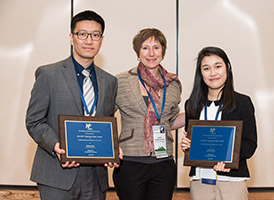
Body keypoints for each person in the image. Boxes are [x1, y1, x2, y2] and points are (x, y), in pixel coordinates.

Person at [25, 10, 117, 200]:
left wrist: (111, 149)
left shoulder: (109, 81)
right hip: (57, 174)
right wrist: (56, 146)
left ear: (102, 39)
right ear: (71, 38)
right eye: (82, 34)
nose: (89, 41)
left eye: (95, 35)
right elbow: (34, 121)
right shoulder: (48, 74)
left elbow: (107, 123)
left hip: (95, 177)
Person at [113, 28, 184, 200]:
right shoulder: (120, 81)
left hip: (164, 162)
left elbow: (170, 121)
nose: (151, 53)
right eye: (145, 48)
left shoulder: (173, 84)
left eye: (156, 47)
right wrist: (111, 146)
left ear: (163, 51)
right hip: (130, 162)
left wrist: (196, 111)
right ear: (138, 52)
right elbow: (105, 118)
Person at [181, 46, 257, 200]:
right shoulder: (192, 105)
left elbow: (250, 143)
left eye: (218, 66)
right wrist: (187, 145)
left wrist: (229, 160)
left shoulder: (242, 102)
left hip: (231, 180)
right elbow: (195, 144)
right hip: (199, 181)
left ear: (227, 68)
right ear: (200, 73)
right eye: (206, 68)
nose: (213, 73)